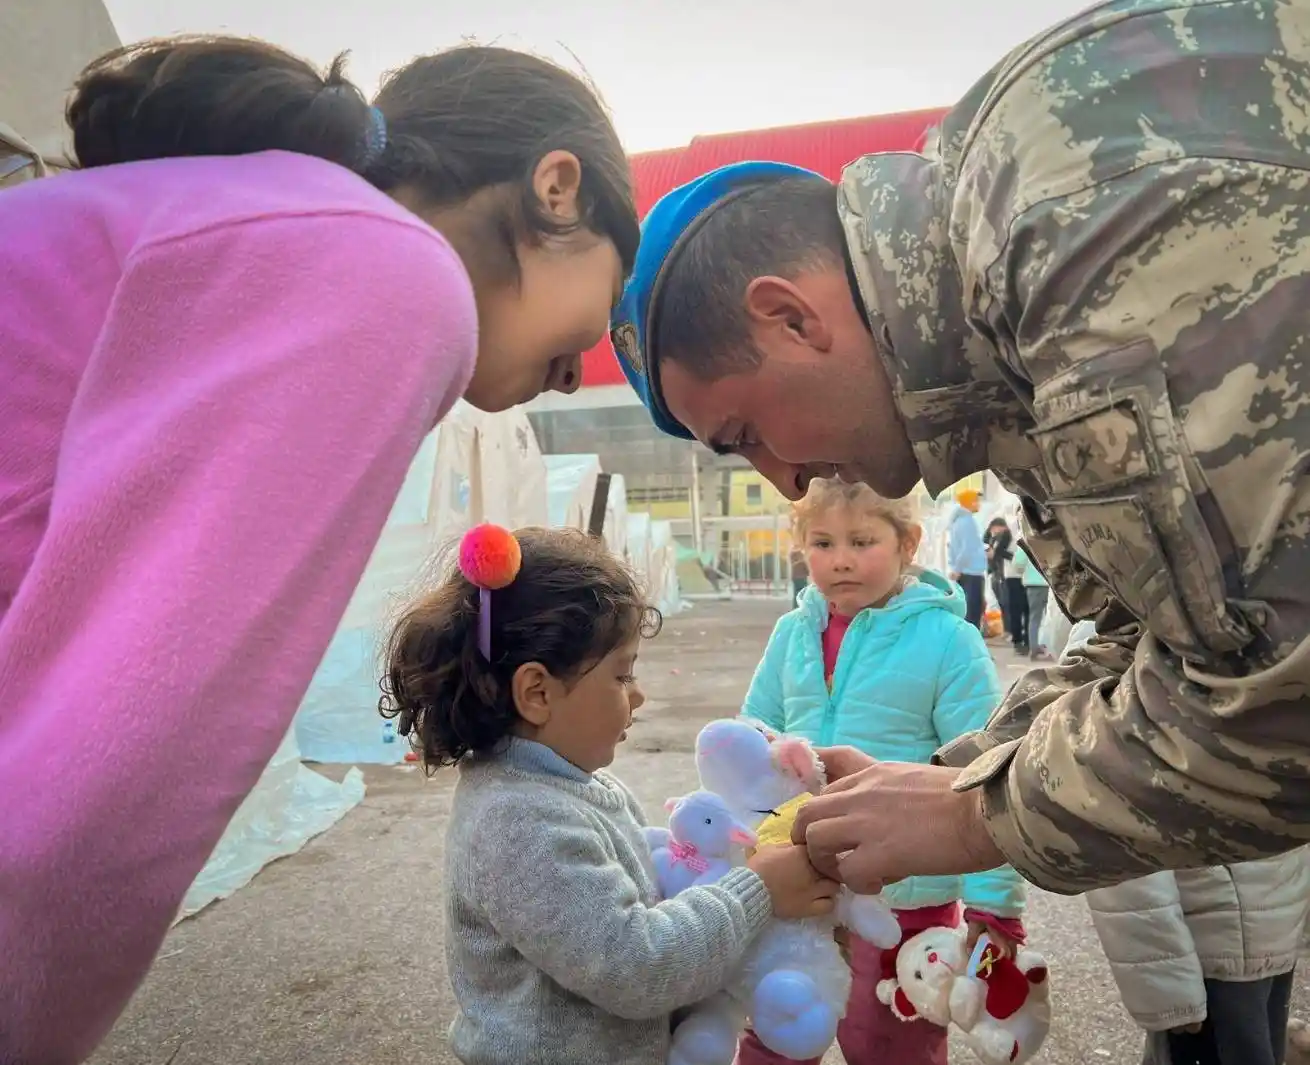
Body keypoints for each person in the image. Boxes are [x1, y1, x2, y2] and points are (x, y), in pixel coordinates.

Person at [0, 35, 641, 1064]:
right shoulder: (383, 267)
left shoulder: (247, 217)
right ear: (557, 189)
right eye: (611, 303)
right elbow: (110, 776)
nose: (576, 375)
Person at [610, 0, 1310, 897]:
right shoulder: (993, 326)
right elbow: (1159, 636)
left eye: (747, 436)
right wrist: (951, 770)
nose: (784, 481)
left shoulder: (1068, 237)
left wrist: (970, 813)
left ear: (790, 316)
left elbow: (1274, 692)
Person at [378, 526, 837, 1065]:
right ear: (537, 692)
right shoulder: (516, 821)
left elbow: (630, 902)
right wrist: (755, 892)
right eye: (622, 675)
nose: (639, 695)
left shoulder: (568, 784)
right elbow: (633, 966)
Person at [736, 478, 1023, 1065]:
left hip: (906, 897)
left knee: (894, 1047)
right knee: (776, 1033)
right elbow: (752, 736)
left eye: (862, 540)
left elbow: (987, 776)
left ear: (908, 543)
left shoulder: (950, 641)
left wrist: (995, 908)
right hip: (802, 883)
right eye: (821, 543)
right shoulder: (793, 634)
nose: (840, 560)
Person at [1069, 624, 1310, 1065]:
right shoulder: (1127, 625)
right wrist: (1165, 980)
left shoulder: (1271, 596)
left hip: (1272, 928)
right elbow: (1119, 820)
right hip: (1206, 951)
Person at [945, 486, 987, 630]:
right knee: (973, 613)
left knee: (966, 611)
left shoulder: (957, 522)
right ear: (969, 502)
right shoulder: (968, 521)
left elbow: (954, 547)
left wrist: (955, 568)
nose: (978, 503)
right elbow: (967, 548)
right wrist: (957, 569)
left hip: (964, 572)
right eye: (976, 500)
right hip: (972, 572)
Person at [1014, 548, 1051, 662]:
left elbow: (1018, 564)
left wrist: (1027, 571)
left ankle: (1034, 649)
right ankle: (1049, 649)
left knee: (1034, 618)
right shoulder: (1048, 538)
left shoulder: (1025, 542)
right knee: (1051, 618)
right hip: (1050, 582)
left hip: (1033, 585)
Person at [982, 516, 1011, 636]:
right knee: (1001, 602)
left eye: (995, 528)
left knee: (1005, 602)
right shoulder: (992, 539)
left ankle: (1009, 630)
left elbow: (1000, 553)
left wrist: (993, 552)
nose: (993, 530)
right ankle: (1006, 630)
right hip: (995, 572)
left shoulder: (1006, 537)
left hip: (1003, 573)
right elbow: (984, 542)